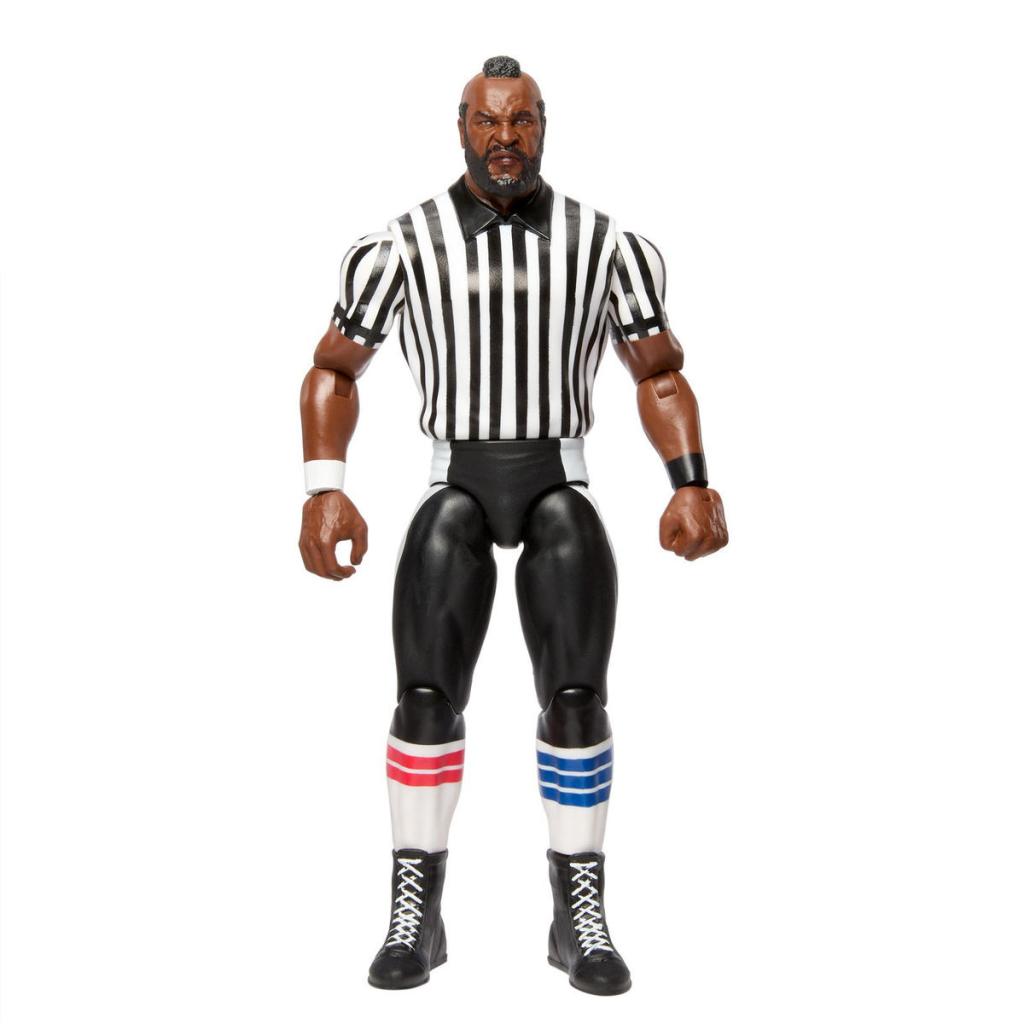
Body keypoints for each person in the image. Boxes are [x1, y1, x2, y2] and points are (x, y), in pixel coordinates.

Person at [298, 55, 728, 996]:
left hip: (556, 478)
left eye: (521, 122)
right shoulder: (400, 244)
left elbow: (658, 373)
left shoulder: (606, 244)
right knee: (424, 696)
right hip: (454, 475)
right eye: (488, 122)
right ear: (460, 127)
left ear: (543, 127)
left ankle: (579, 914)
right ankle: (417, 910)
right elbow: (334, 369)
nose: (504, 139)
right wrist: (324, 486)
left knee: (576, 696)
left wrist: (691, 481)